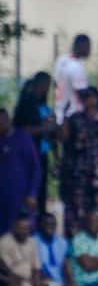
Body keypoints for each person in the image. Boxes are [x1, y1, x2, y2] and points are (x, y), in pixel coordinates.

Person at [59, 87, 98, 237]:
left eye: (92, 97)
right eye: (86, 97)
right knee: (76, 208)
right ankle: (75, 243)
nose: (89, 100)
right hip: (76, 172)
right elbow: (63, 139)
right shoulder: (75, 119)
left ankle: (96, 242)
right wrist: (64, 117)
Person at [1, 212, 63, 286]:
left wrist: (37, 282)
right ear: (14, 228)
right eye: (21, 228)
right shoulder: (5, 242)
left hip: (33, 280)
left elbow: (36, 267)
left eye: (27, 229)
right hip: (15, 283)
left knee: (55, 285)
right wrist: (30, 282)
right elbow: (7, 271)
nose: (24, 231)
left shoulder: (32, 242)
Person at [13, 72, 56, 223]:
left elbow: (51, 134)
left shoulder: (44, 106)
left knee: (41, 191)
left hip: (42, 155)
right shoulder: (26, 104)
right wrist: (43, 128)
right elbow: (20, 130)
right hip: (28, 155)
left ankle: (39, 221)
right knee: (30, 190)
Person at [0, 107, 42, 237]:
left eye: (2, 120)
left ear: (8, 120)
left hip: (21, 197)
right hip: (2, 199)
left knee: (23, 232)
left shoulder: (23, 138)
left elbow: (36, 168)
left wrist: (32, 193)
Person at [53, 34, 90, 125]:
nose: (89, 50)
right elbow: (82, 93)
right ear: (80, 45)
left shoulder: (61, 60)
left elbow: (55, 83)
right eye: (88, 46)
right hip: (73, 116)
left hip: (59, 112)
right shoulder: (76, 67)